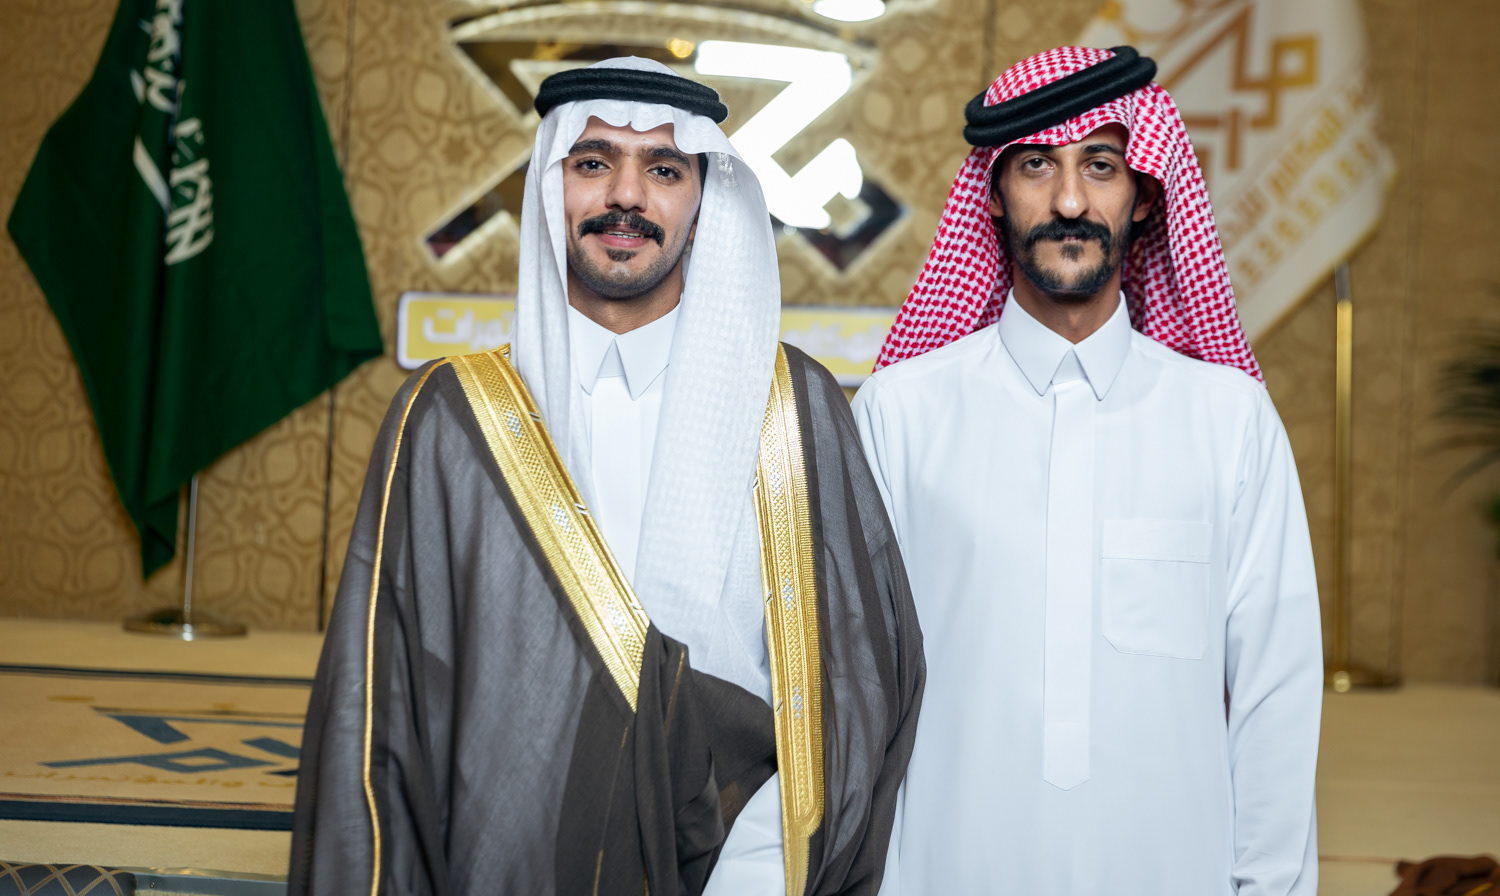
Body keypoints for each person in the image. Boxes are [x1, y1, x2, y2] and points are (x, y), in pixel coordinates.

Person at [289, 57, 923, 896]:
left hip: (742, 873)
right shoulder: (451, 418)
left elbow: (853, 688)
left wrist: (757, 879)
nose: (626, 196)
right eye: (593, 163)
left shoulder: (793, 409)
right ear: (551, 186)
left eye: (663, 170)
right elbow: (382, 701)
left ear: (704, 202)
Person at [853, 46, 1321, 895]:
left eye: (1100, 165)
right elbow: (850, 692)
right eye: (1037, 166)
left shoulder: (1229, 421)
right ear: (994, 195)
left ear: (1144, 195)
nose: (1070, 201)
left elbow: (1275, 695)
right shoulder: (900, 414)